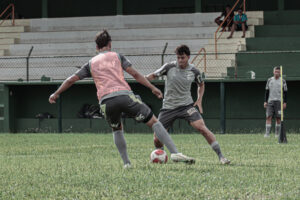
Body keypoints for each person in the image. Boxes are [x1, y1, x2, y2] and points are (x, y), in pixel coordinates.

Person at [48, 30, 195, 168]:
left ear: (97, 46)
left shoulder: (91, 63)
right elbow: (136, 75)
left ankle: (127, 164)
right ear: (110, 44)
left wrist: (56, 93)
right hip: (125, 96)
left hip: (106, 102)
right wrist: (153, 88)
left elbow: (70, 80)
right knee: (154, 122)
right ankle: (175, 152)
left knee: (117, 129)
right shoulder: (117, 56)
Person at [145, 45, 230, 165]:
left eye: (183, 58)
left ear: (188, 57)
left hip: (186, 106)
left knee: (202, 128)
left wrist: (199, 99)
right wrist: (144, 79)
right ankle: (161, 155)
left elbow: (201, 84)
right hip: (168, 107)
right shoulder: (169, 67)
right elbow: (152, 76)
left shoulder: (194, 71)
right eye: (178, 57)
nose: (180, 60)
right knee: (157, 138)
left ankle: (221, 157)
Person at [264, 66, 287, 138]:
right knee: (268, 117)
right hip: (270, 101)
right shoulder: (269, 80)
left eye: (278, 72)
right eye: (275, 71)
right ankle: (267, 134)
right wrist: (265, 101)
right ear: (273, 72)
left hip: (279, 102)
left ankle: (277, 134)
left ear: (280, 72)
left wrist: (284, 102)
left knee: (278, 118)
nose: (276, 73)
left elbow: (285, 92)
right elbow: (267, 91)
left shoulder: (283, 81)